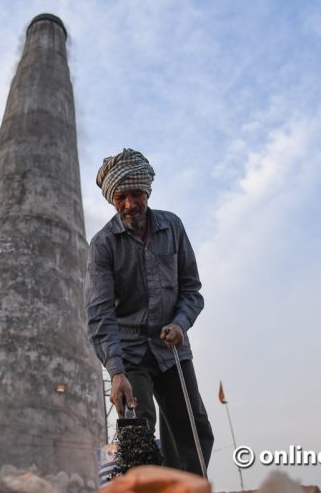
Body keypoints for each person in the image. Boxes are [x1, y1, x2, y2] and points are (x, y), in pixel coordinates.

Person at [86, 148, 214, 476]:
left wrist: (180, 323)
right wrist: (116, 372)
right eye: (121, 197)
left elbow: (191, 290)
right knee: (137, 438)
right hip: (128, 353)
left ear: (148, 191)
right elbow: (100, 315)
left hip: (171, 348)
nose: (130, 204)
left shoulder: (172, 227)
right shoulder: (103, 246)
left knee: (194, 433)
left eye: (136, 194)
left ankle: (183, 487)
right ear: (113, 200)